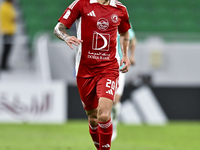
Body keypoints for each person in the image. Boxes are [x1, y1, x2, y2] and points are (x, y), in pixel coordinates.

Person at [54, 0, 131, 149]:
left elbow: (124, 32)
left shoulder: (120, 9)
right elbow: (58, 28)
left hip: (108, 68)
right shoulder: (81, 4)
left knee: (103, 114)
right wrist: (66, 37)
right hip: (85, 70)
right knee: (93, 118)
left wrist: (125, 55)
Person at [111, 23, 137, 141]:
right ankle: (104, 125)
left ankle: (113, 125)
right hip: (103, 67)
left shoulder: (122, 22)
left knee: (116, 101)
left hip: (119, 67)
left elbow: (133, 39)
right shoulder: (101, 21)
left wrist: (132, 56)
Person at [0, 0, 16, 70]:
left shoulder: (6, 6)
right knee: (6, 49)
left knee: (7, 49)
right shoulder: (6, 7)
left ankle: (4, 64)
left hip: (8, 30)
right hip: (7, 31)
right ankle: (3, 65)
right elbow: (12, 18)